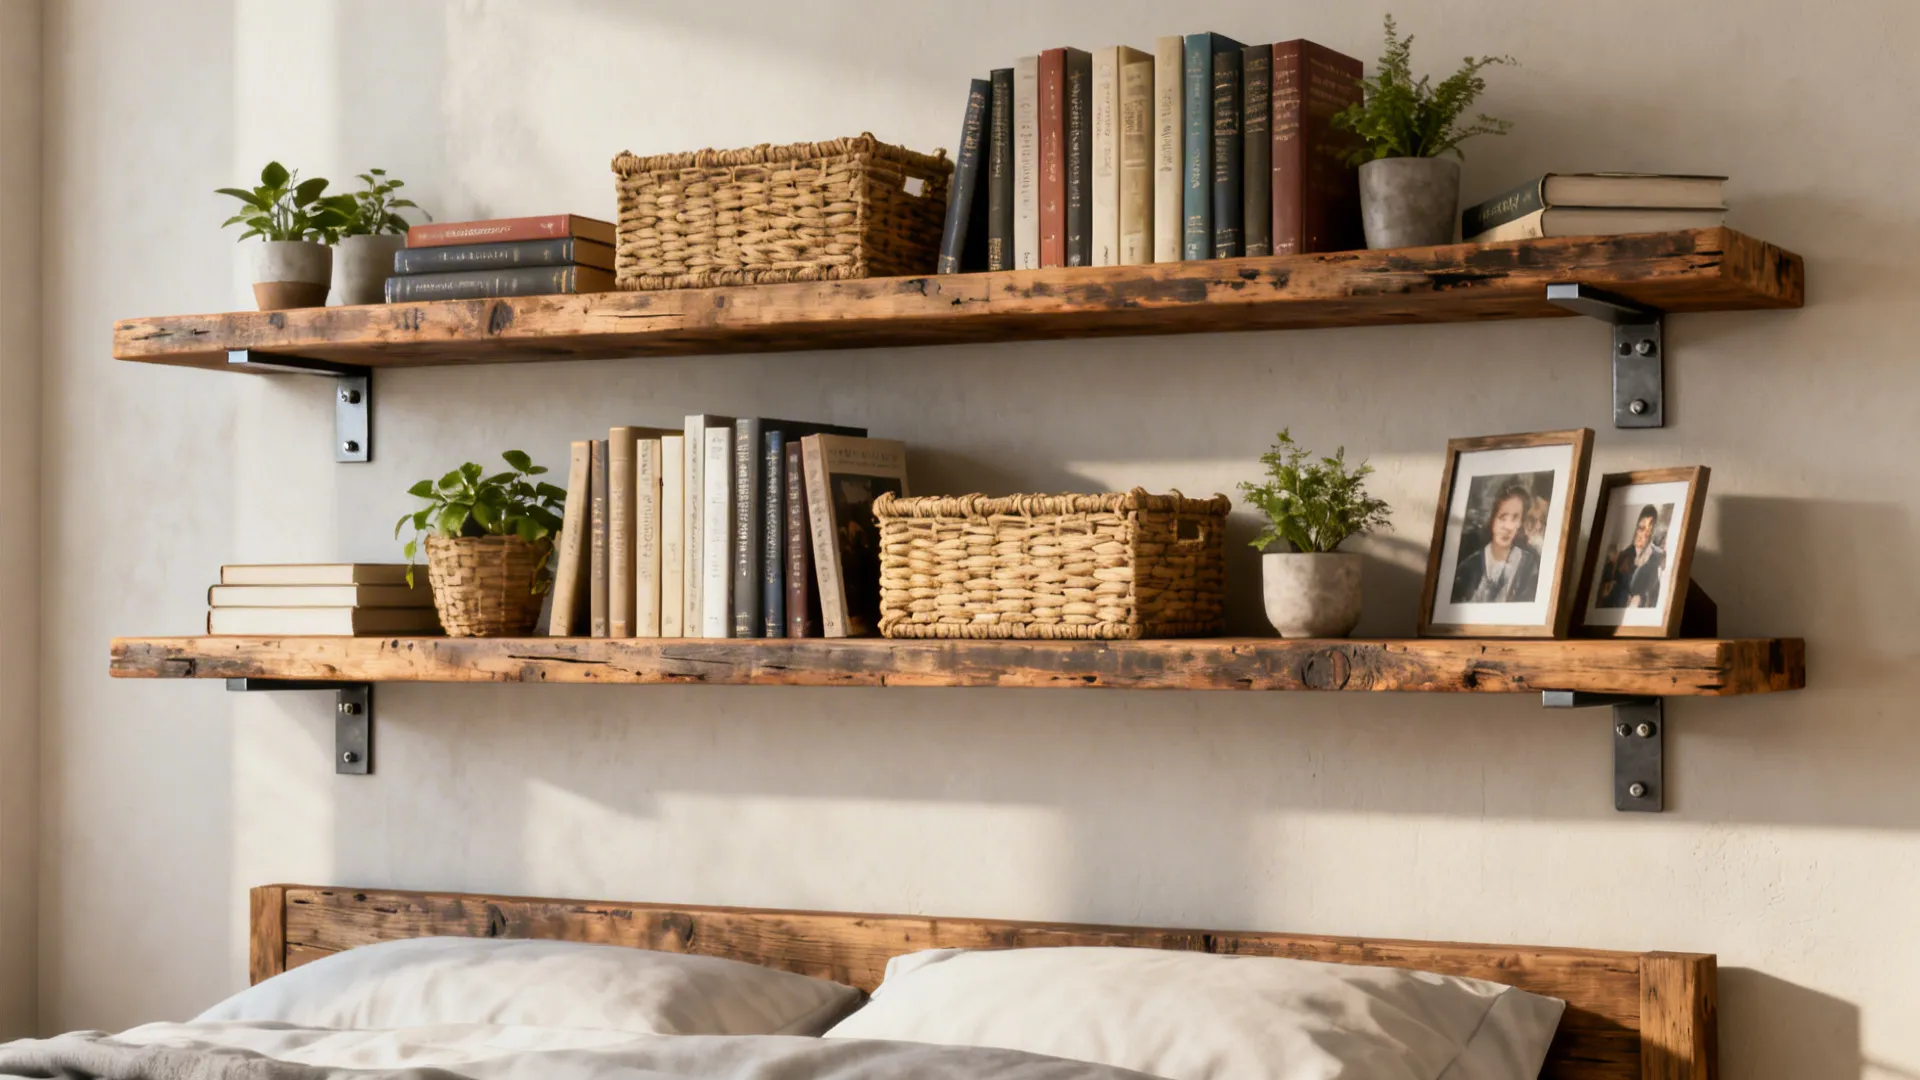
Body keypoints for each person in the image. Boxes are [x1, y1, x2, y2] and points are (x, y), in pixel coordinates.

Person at [1450, 484, 1541, 603]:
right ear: (1492, 519)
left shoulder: (1529, 566)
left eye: (1515, 518)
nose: (1508, 527)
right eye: (1502, 518)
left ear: (1520, 523)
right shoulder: (1467, 569)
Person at [1597, 504, 1666, 609]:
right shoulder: (1623, 556)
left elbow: (1653, 597)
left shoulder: (1654, 562)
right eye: (1641, 528)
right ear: (1636, 528)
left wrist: (1639, 599)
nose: (1643, 535)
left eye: (1648, 532)